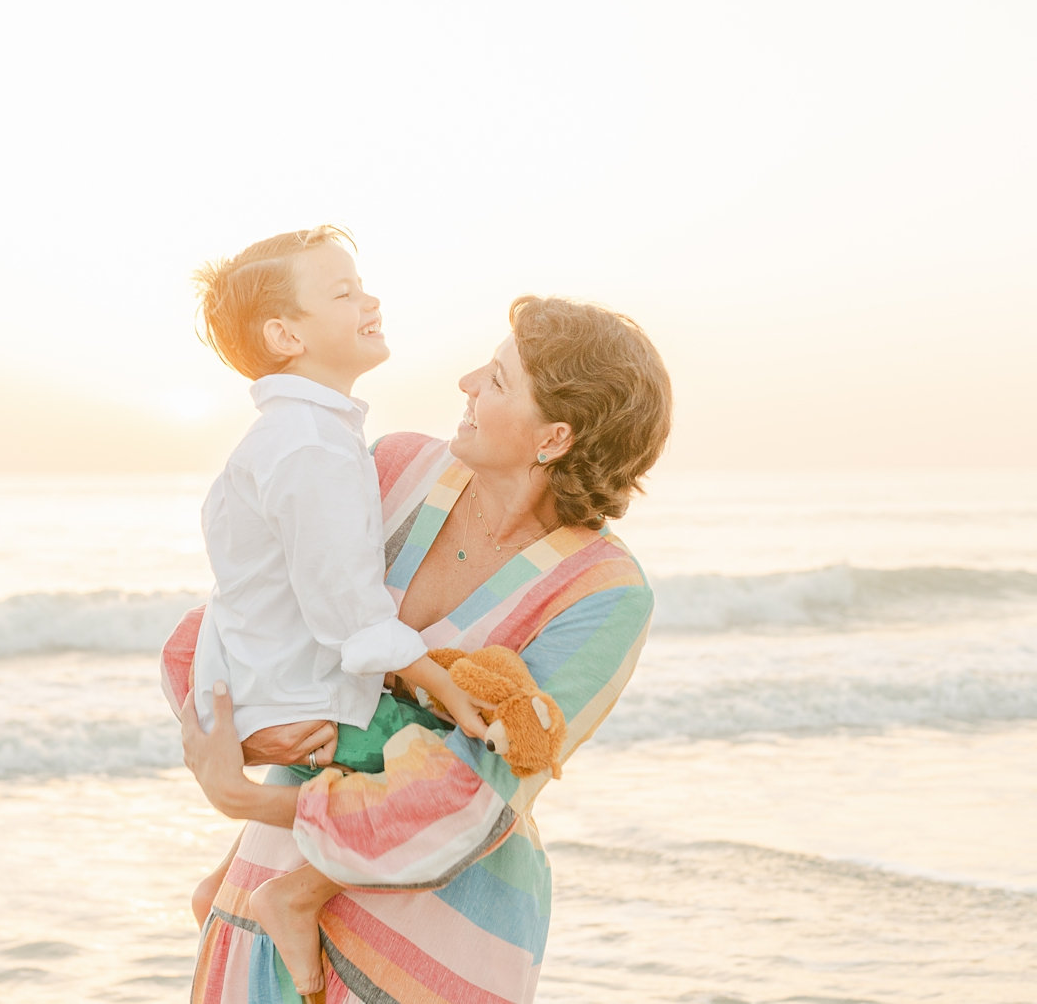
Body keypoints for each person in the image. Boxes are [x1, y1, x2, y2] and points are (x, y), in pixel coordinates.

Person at [165, 294, 673, 1003]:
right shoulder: (393, 469)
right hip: (261, 911)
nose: (466, 383)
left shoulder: (604, 594)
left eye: (497, 380)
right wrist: (241, 730)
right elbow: (249, 618)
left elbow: (472, 796)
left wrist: (247, 800)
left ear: (554, 437)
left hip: (428, 951)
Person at [184, 224, 489, 996]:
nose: (370, 300)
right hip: (307, 701)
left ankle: (229, 879)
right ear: (285, 334)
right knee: (453, 780)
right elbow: (346, 609)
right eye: (343, 292)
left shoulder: (302, 434)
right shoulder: (308, 446)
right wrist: (438, 682)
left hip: (278, 687)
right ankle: (289, 894)